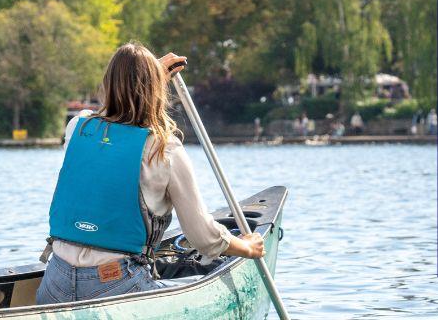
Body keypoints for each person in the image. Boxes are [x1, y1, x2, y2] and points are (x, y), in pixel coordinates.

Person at [37, 43, 266, 305]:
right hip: (117, 285)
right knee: (201, 280)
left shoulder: (78, 127)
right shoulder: (164, 149)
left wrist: (146, 73)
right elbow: (203, 238)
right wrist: (247, 247)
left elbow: (106, 124)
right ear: (156, 89)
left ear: (107, 84)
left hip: (54, 282)